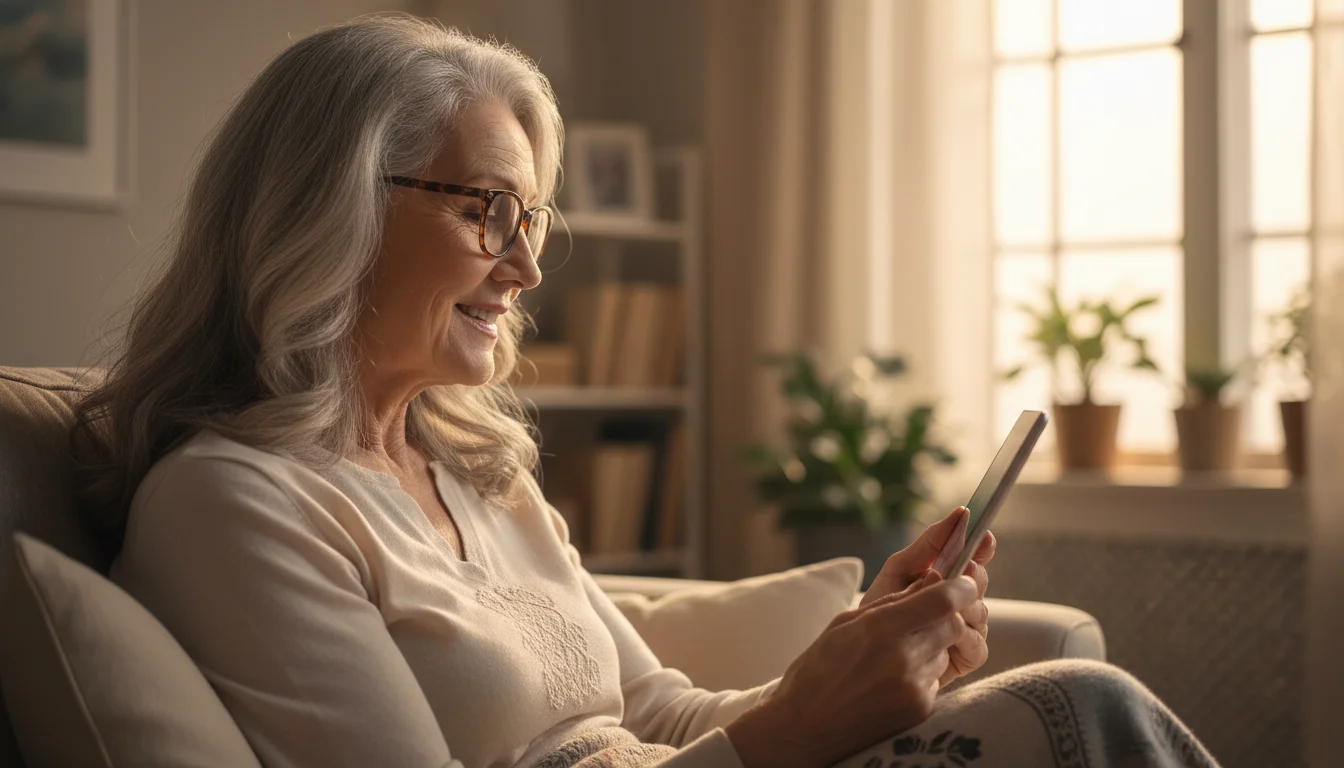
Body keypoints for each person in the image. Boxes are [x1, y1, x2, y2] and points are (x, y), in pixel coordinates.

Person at [71, 14, 1218, 768]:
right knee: (1088, 710)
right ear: (329, 210)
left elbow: (664, 722)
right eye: (485, 211)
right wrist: (804, 722)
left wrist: (850, 661)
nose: (524, 268)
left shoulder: (482, 478)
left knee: (1085, 705)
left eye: (531, 219)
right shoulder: (235, 505)